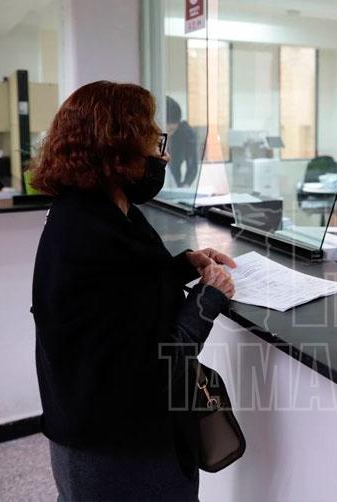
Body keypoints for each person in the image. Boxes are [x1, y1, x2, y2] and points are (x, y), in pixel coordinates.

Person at [30, 81, 235, 501]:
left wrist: (183, 265)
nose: (163, 155)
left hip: (95, 430)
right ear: (116, 148)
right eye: (151, 139)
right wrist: (209, 298)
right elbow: (156, 360)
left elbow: (127, 294)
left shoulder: (97, 213)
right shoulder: (91, 237)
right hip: (118, 450)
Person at [165, 96, 200, 188]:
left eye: (171, 130)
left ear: (178, 124)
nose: (168, 134)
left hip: (174, 182)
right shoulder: (149, 133)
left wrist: (185, 185)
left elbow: (192, 166)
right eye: (165, 130)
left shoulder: (186, 133)